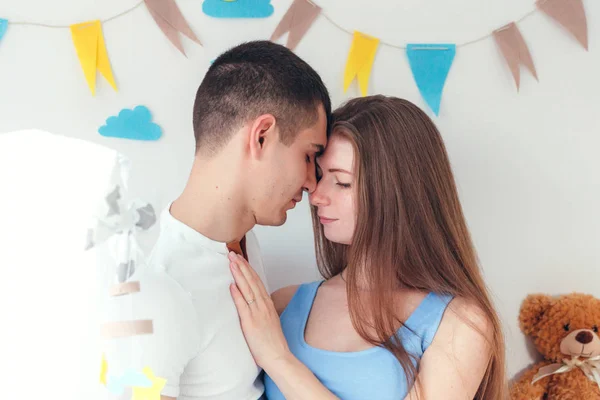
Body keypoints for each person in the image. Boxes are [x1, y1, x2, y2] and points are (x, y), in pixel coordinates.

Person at [228, 95, 508, 399]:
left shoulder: (461, 323)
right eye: (321, 176)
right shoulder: (282, 305)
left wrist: (279, 360)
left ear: (398, 193)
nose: (316, 195)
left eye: (342, 182)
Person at [100, 40, 331, 400]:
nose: (312, 183)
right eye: (308, 155)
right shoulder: (158, 287)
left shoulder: (244, 242)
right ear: (262, 136)